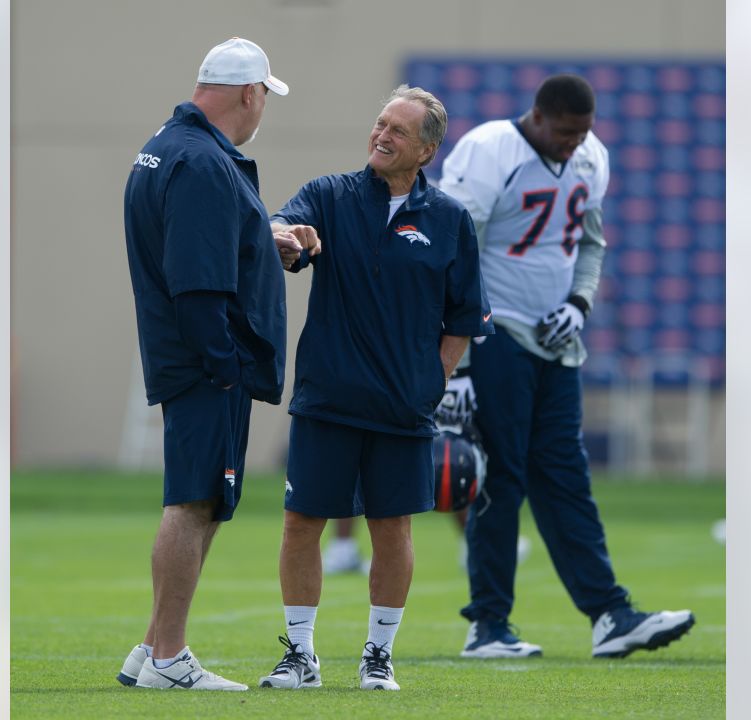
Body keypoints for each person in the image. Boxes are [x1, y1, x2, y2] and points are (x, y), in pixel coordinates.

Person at [435, 74, 695, 660]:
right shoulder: (489, 150)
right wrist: (461, 361)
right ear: (538, 116)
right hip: (495, 330)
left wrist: (580, 304)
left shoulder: (590, 156)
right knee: (499, 479)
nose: (575, 143)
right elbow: (454, 249)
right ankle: (488, 624)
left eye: (584, 132)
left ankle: (609, 614)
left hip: (555, 343)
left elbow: (592, 244)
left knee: (565, 477)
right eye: (566, 132)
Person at [258, 85, 493, 691]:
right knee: (300, 524)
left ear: (427, 151)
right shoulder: (331, 196)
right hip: (327, 398)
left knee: (393, 529)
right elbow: (282, 225)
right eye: (380, 123)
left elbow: (463, 319)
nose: (382, 136)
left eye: (398, 130)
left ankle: (378, 657)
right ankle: (300, 657)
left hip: (402, 408)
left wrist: (430, 383)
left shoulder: (449, 220)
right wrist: (287, 238)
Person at [114, 37, 292, 691]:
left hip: (188, 356)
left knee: (204, 501)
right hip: (205, 363)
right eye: (264, 97)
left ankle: (153, 645)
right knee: (193, 502)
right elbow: (196, 282)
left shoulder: (170, 145)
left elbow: (203, 244)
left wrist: (263, 240)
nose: (262, 109)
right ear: (250, 94)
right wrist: (225, 363)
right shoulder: (202, 162)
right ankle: (169, 659)